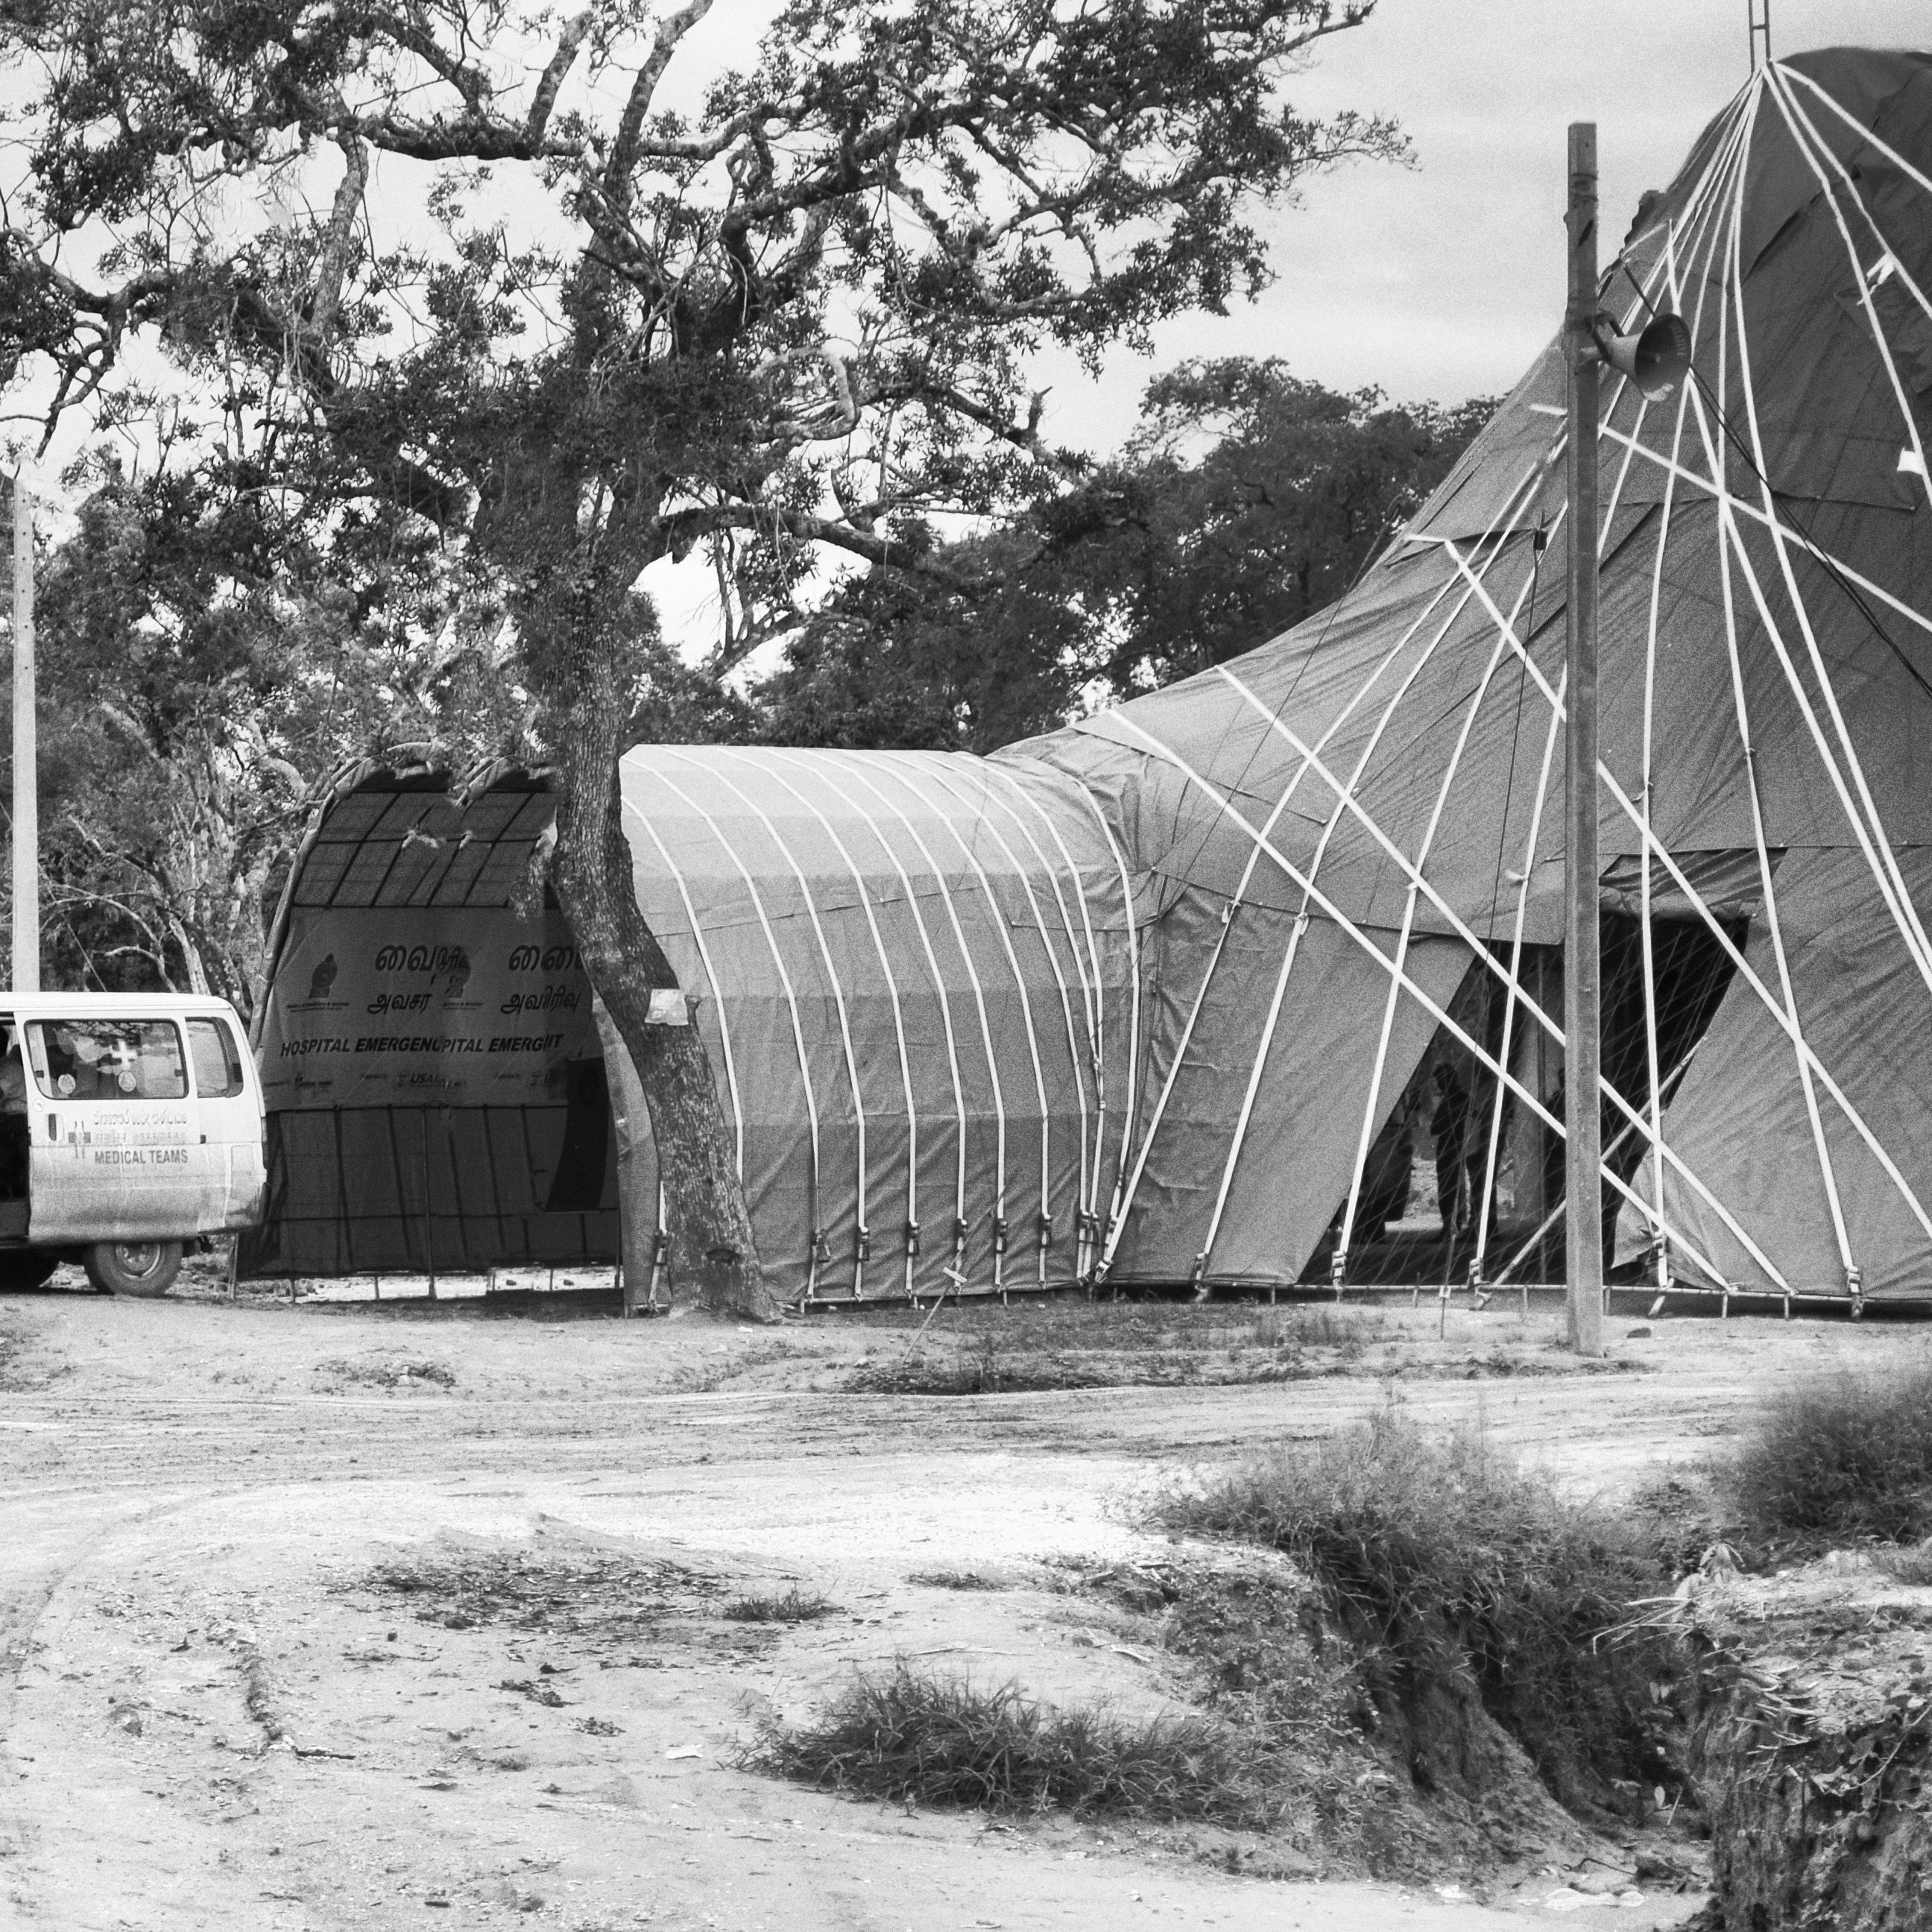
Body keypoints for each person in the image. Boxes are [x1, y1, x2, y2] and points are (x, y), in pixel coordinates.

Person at [1430, 1063, 1470, 1233]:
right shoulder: (1451, 1099)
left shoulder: (1459, 1099)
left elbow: (1439, 1126)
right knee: (1448, 1187)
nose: (1440, 1084)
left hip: (1453, 1147)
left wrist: (1448, 1122)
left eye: (1441, 1079)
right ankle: (1450, 1225)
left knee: (1451, 1187)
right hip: (1449, 1146)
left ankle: (1452, 1225)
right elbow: (1435, 1127)